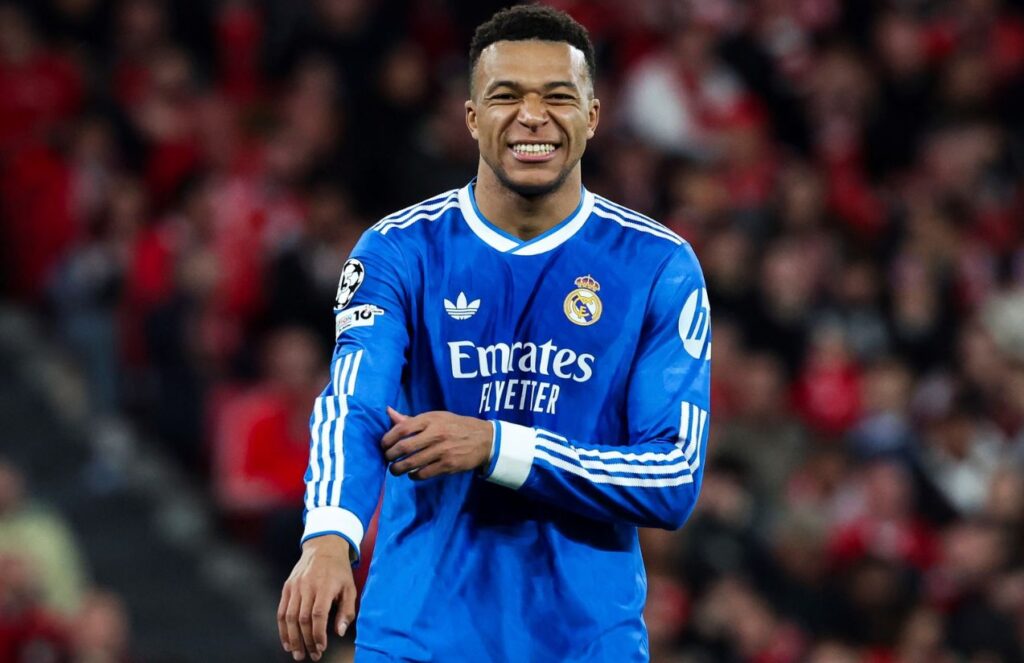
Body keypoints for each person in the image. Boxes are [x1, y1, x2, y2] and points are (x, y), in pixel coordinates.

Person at [277, 6, 712, 662]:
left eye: (558, 96)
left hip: (583, 642)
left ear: (592, 117)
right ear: (472, 117)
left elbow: (672, 475)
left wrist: (496, 446)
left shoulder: (657, 265)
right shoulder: (400, 249)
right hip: (418, 636)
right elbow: (354, 402)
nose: (531, 115)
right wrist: (328, 536)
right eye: (505, 95)